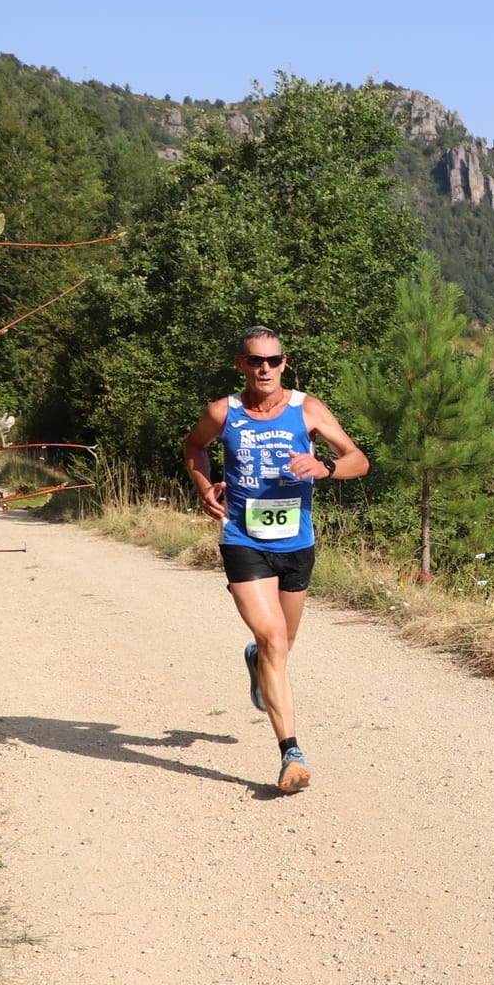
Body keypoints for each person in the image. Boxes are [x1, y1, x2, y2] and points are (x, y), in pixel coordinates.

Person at [183, 326, 368, 794]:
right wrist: (206, 488)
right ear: (240, 365)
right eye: (254, 361)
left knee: (281, 645)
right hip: (243, 538)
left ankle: (257, 660)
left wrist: (325, 467)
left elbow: (357, 460)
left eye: (274, 360)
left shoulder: (307, 410)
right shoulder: (223, 413)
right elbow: (194, 447)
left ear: (285, 363)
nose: (265, 368)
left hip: (296, 543)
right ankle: (291, 753)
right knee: (272, 638)